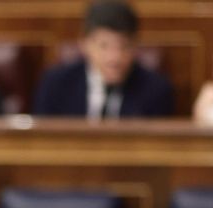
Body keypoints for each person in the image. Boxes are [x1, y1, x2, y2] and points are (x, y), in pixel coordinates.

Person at [32, 0, 173, 119]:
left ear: (136, 46)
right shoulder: (55, 84)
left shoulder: (156, 90)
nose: (115, 58)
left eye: (124, 46)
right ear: (84, 43)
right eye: (104, 46)